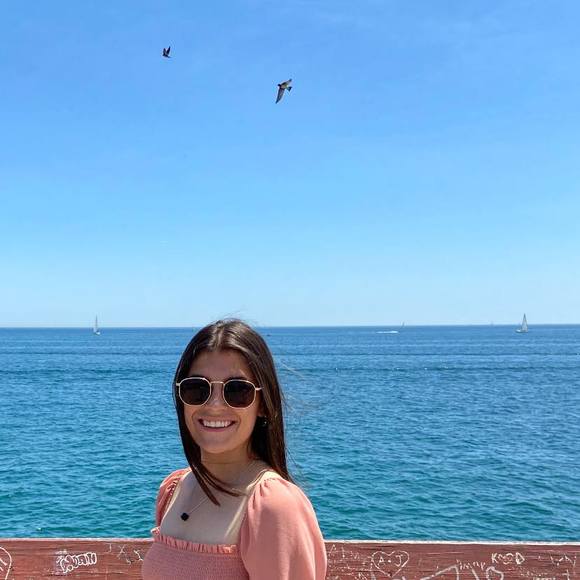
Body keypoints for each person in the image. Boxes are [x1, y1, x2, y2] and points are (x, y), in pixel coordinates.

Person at [142, 319, 327, 580]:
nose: (215, 405)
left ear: (263, 405)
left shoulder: (273, 505)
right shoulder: (173, 490)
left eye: (238, 391)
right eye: (197, 389)